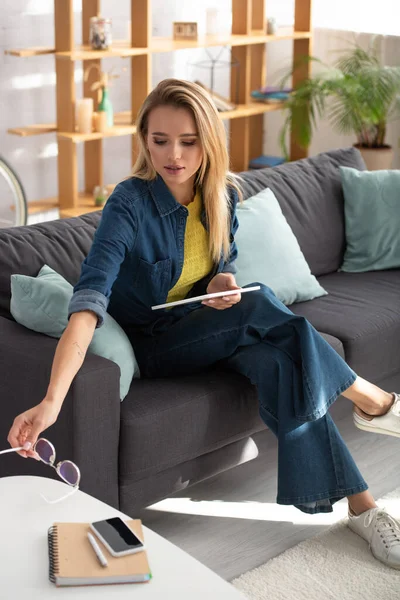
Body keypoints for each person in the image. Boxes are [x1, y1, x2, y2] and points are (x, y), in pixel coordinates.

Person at [7, 78, 400, 568]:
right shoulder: (128, 204)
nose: (174, 155)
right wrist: (50, 401)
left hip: (202, 326)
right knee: (264, 304)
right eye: (160, 140)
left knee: (282, 361)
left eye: (189, 142)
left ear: (208, 142)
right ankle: (373, 400)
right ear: (144, 140)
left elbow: (218, 267)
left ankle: (363, 508)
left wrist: (222, 284)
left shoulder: (222, 197)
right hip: (155, 346)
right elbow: (88, 306)